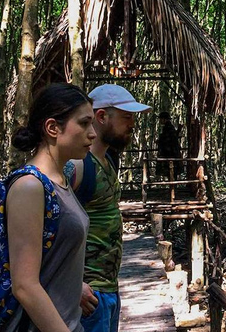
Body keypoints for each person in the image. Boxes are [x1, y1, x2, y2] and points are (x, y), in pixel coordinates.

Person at [5, 83, 95, 332]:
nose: (93, 133)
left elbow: (50, 259)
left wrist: (75, 286)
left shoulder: (62, 181)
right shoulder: (29, 187)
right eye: (84, 123)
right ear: (53, 128)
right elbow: (24, 285)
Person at [65, 84, 151, 332]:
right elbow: (43, 229)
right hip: (87, 296)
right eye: (126, 117)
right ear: (101, 117)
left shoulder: (109, 160)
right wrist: (73, 285)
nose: (132, 124)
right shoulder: (77, 167)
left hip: (108, 290)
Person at [156, 111, 182, 179]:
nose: (160, 121)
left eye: (161, 119)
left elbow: (169, 140)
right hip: (170, 153)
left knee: (171, 171)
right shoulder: (168, 127)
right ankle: (172, 187)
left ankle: (172, 187)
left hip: (170, 153)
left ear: (165, 119)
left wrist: (160, 141)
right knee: (171, 171)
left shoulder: (168, 127)